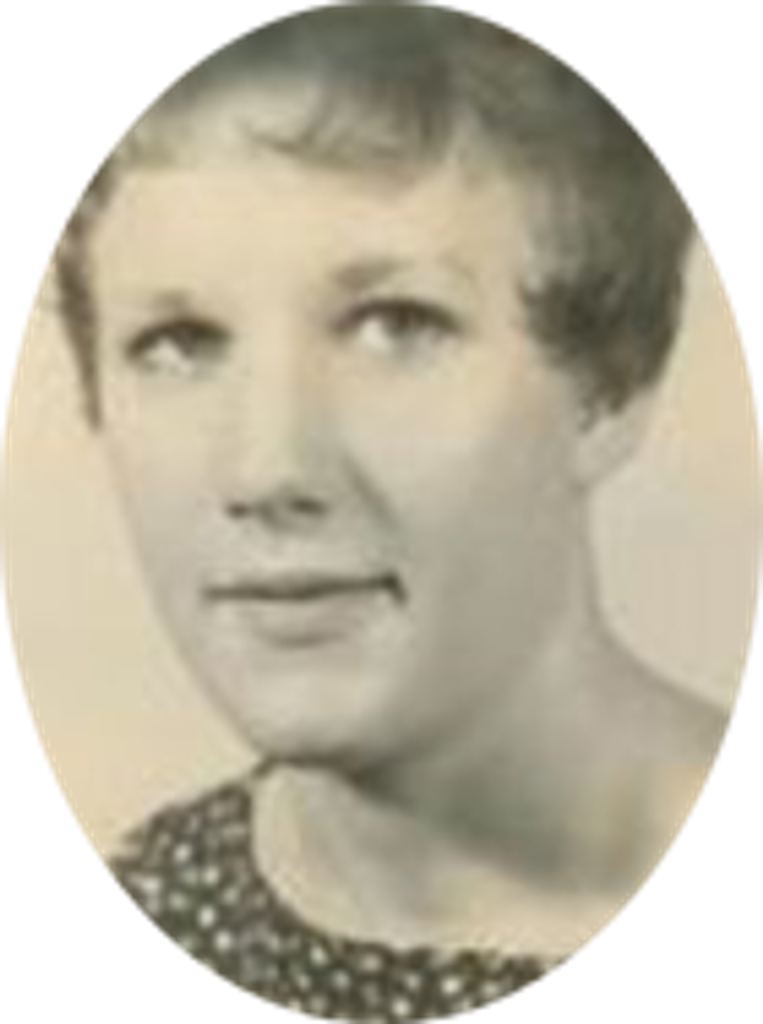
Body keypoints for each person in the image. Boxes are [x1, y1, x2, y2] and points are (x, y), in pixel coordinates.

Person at [50, 1, 733, 1017]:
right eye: (179, 343)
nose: (268, 468)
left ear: (608, 388)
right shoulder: (157, 906)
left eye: (395, 325)